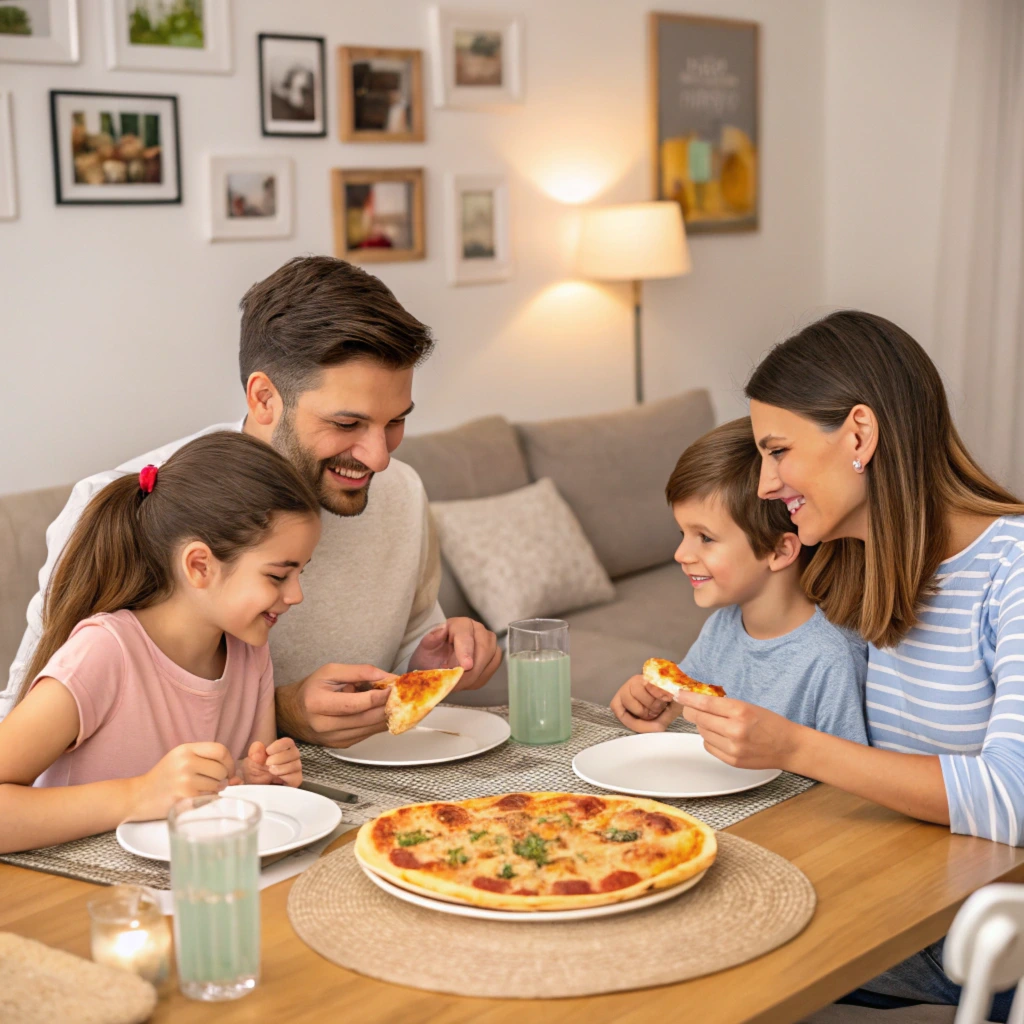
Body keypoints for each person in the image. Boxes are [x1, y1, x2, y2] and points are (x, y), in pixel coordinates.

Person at [667, 311, 1024, 1017]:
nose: (767, 483)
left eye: (778, 451)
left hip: (974, 933)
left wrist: (794, 745)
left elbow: (1013, 799)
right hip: (895, 881)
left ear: (859, 434)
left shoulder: (1011, 570)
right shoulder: (863, 561)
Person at [4, 256, 501, 745]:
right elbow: (31, 714)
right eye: (347, 424)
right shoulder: (136, 504)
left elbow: (406, 642)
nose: (379, 458)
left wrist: (431, 663)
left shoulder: (402, 492)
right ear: (263, 399)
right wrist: (285, 712)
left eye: (395, 421)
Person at [0, 433, 320, 854]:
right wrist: (138, 795)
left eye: (301, 574)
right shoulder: (103, 653)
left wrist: (256, 777)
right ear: (199, 565)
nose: (296, 595)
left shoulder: (250, 653)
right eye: (279, 576)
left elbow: (228, 785)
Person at [610, 417, 867, 744]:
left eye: (704, 537)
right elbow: (682, 708)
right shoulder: (721, 629)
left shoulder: (831, 659)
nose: (680, 554)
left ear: (779, 550)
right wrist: (651, 703)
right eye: (682, 533)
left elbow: (847, 783)